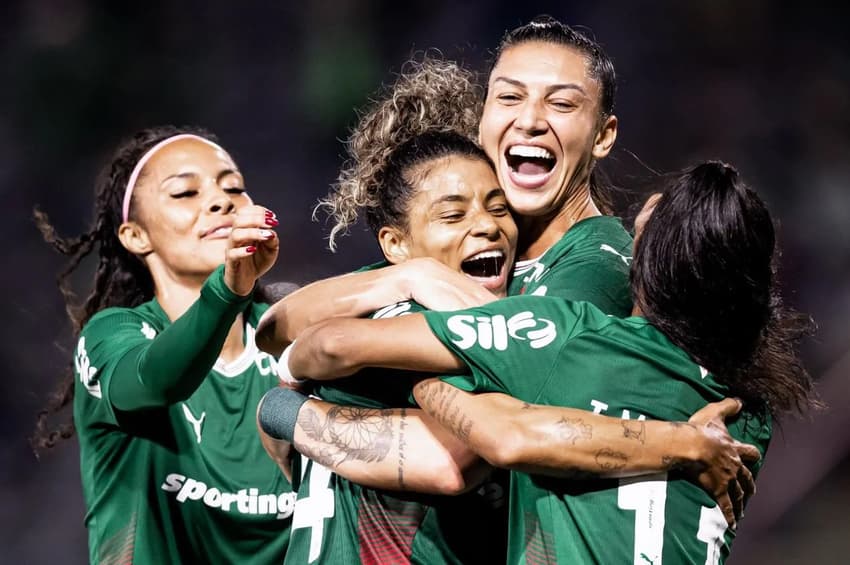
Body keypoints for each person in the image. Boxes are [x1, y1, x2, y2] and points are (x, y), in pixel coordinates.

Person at [273, 161, 818, 564]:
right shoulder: (750, 412)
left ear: (647, 259)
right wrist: (681, 441)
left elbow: (336, 346)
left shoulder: (570, 335)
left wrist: (287, 394)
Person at [33, 126, 295, 564]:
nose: (221, 201)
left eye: (233, 187)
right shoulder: (109, 337)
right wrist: (227, 290)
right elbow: (154, 382)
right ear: (136, 236)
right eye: (185, 193)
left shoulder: (291, 340)